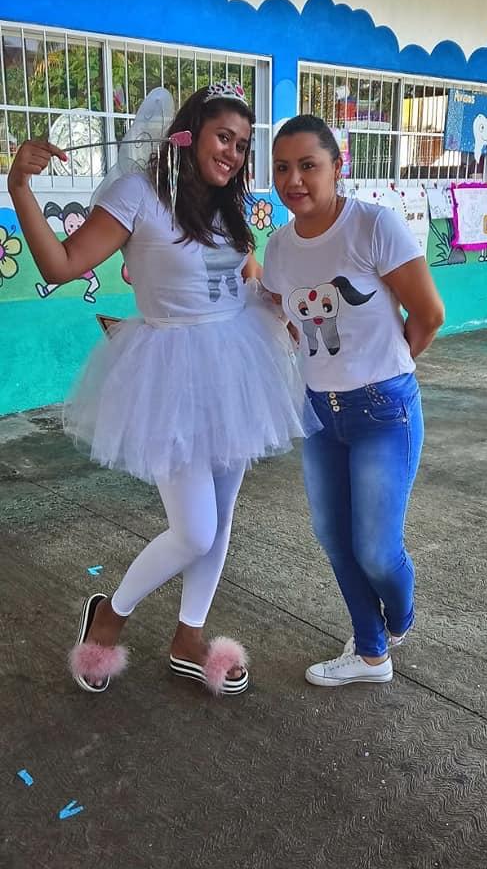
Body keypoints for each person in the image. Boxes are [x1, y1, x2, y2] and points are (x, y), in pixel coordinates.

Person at [8, 82, 314, 697]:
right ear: (189, 134)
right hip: (171, 371)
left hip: (237, 362)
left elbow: (243, 272)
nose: (232, 154)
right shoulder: (138, 193)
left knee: (221, 518)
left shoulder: (226, 204)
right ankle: (110, 614)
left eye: (242, 145)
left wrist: (278, 303)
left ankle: (189, 637)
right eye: (222, 137)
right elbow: (59, 265)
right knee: (194, 529)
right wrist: (19, 188)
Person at [263, 115, 444, 687]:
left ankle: (399, 619)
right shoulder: (279, 247)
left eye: (308, 166)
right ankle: (371, 653)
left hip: (384, 411)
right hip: (319, 413)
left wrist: (386, 370)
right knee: (335, 539)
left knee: (377, 550)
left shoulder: (372, 225)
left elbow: (429, 313)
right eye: (282, 168)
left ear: (337, 167)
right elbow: (281, 316)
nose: (294, 180)